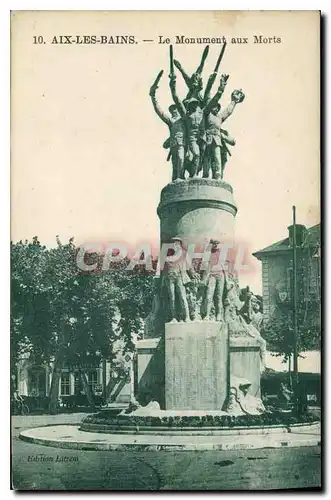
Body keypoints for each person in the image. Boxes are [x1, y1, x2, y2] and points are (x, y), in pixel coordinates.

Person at [202, 79, 245, 180]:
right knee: (206, 157)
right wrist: (221, 89)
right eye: (215, 107)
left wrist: (234, 101)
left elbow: (228, 111)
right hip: (207, 138)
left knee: (217, 157)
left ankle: (218, 176)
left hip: (217, 139)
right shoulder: (207, 114)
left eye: (218, 108)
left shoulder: (219, 118)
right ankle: (205, 175)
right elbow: (213, 101)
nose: (216, 109)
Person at [149, 74, 186, 181]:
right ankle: (176, 178)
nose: (173, 111)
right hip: (173, 143)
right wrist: (153, 98)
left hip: (183, 143)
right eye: (171, 110)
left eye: (175, 109)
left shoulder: (183, 119)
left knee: (181, 159)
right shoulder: (171, 120)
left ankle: (180, 176)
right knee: (175, 162)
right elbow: (159, 112)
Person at [169, 74, 205, 178]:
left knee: (200, 157)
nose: (194, 105)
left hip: (201, 139)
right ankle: (187, 174)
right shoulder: (185, 115)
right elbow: (176, 99)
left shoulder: (201, 113)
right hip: (188, 140)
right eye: (191, 104)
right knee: (193, 155)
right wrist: (173, 86)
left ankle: (193, 172)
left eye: (195, 104)